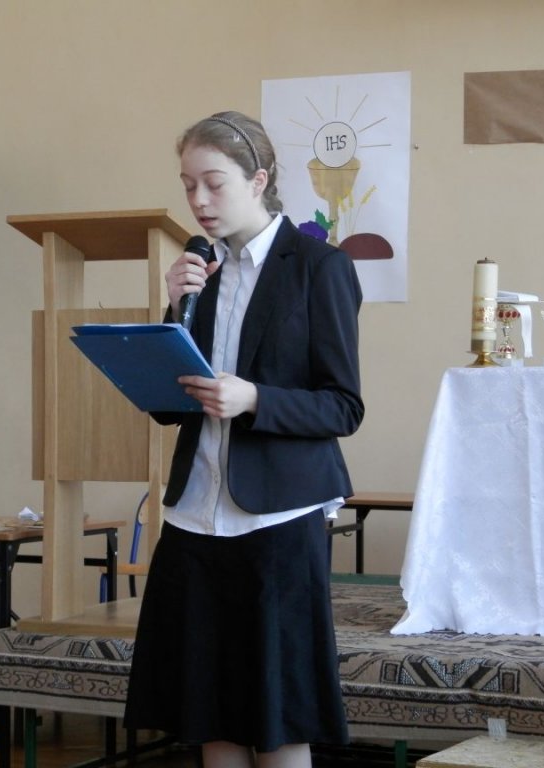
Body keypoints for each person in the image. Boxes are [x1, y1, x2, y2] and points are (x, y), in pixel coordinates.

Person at [123, 112, 363, 768]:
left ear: (258, 180)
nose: (198, 201)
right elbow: (172, 406)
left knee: (277, 713)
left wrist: (254, 398)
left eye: (214, 183)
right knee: (209, 709)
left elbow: (343, 406)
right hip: (196, 515)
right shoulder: (201, 272)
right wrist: (173, 311)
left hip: (277, 516)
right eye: (187, 185)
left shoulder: (319, 267)